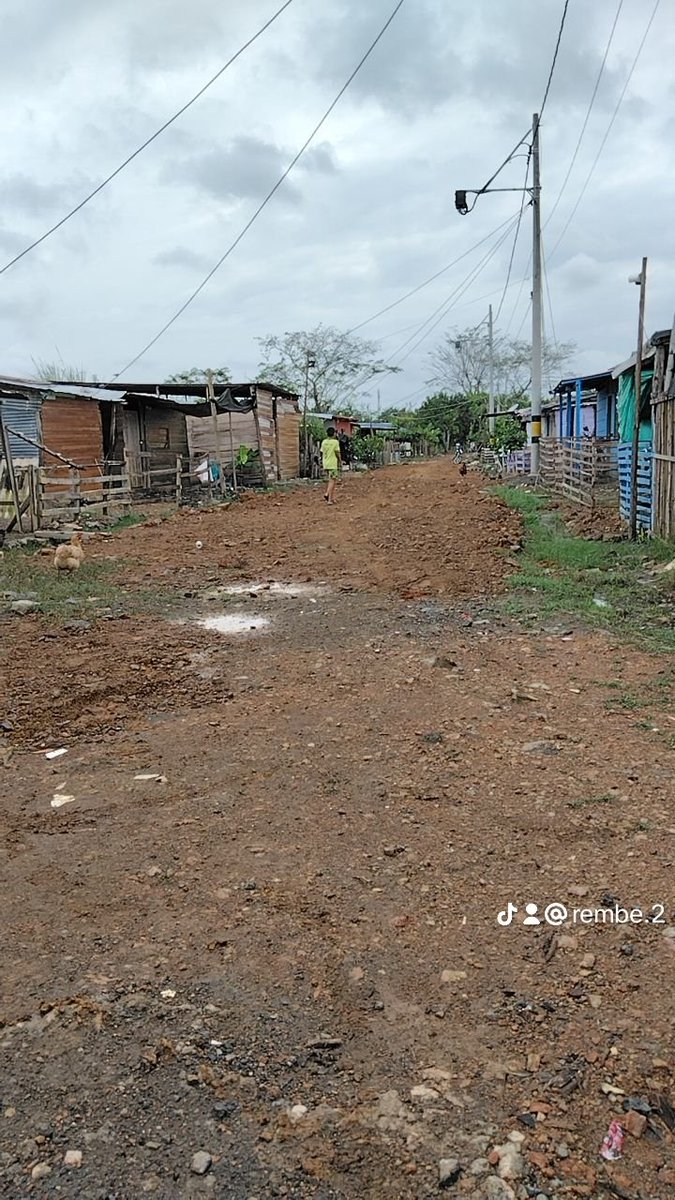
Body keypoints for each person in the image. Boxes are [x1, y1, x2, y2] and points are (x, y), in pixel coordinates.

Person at [320, 425, 341, 504]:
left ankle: (331, 499)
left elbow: (322, 452)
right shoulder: (335, 442)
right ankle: (327, 495)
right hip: (333, 464)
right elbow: (337, 453)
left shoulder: (324, 442)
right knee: (332, 481)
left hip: (326, 463)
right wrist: (340, 461)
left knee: (331, 480)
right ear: (334, 434)